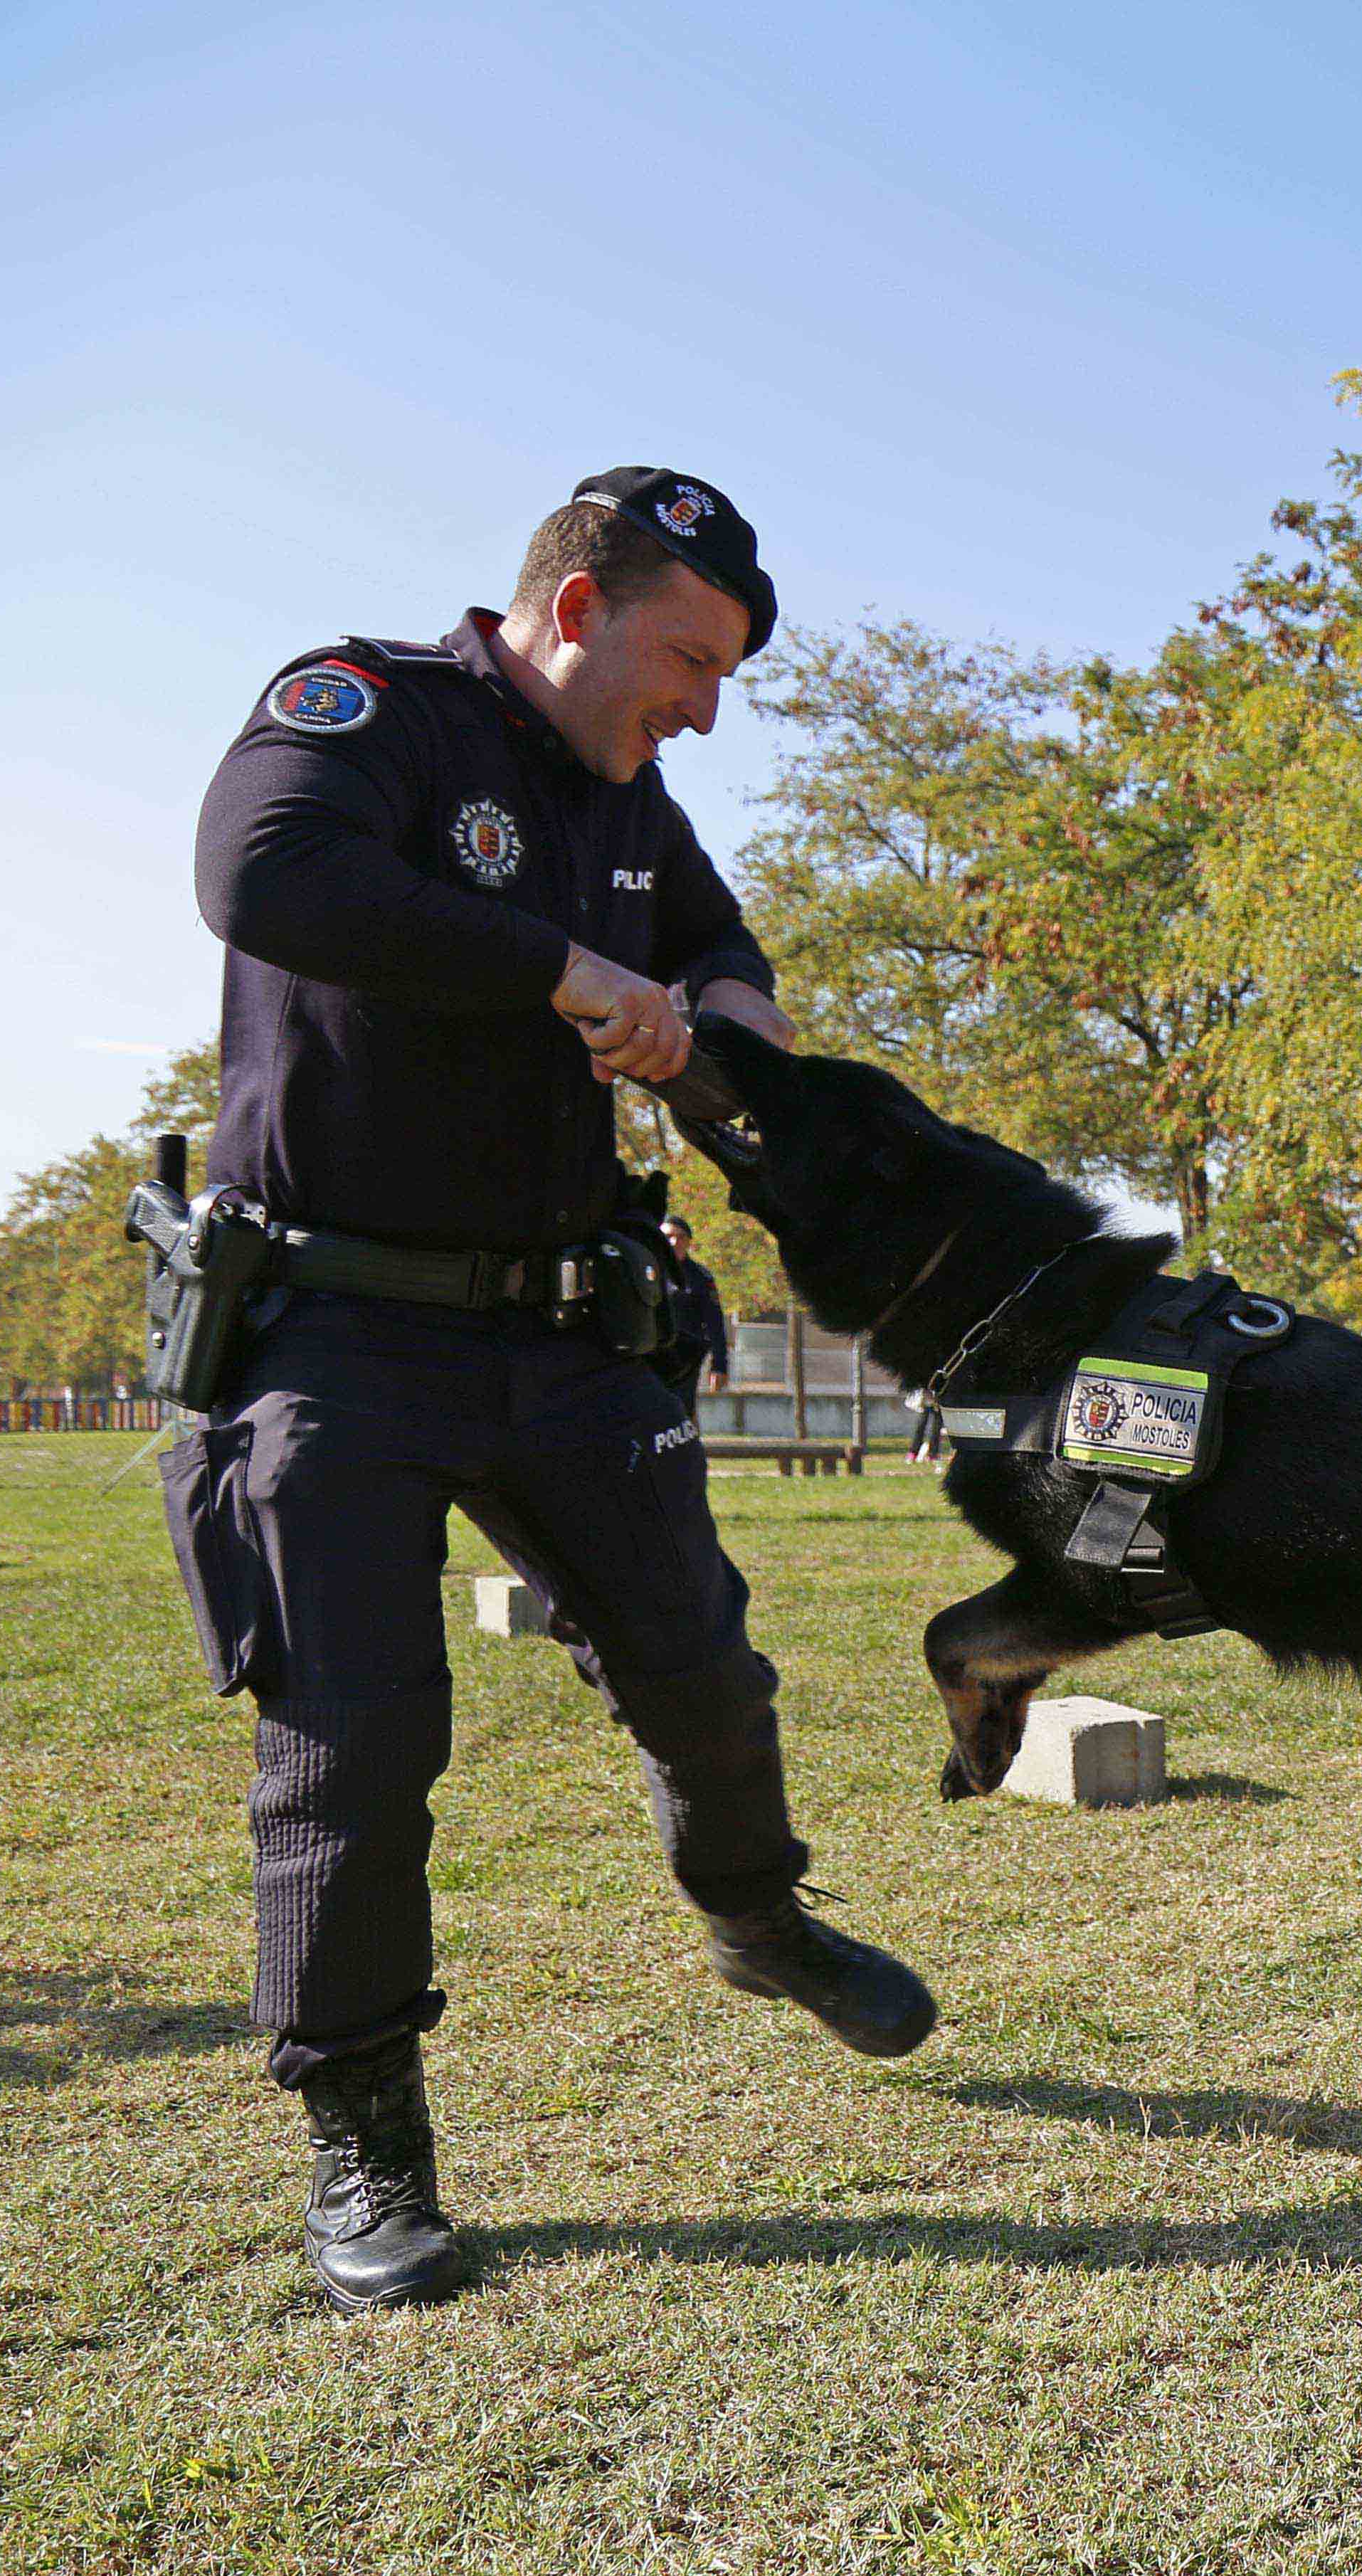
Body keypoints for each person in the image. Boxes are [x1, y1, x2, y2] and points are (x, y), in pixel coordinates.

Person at [167, 469, 929, 2313]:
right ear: (576, 610)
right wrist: (565, 969)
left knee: (706, 1672)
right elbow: (261, 873)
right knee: (354, 1745)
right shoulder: (373, 715)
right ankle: (366, 2142)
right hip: (335, 1329)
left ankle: (754, 1913)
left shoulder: (638, 808)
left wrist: (734, 1032)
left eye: (729, 675)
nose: (706, 710)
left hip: (574, 1332)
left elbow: (723, 960)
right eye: (689, 657)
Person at [653, 1214, 727, 1416]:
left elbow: (715, 1324)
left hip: (685, 1357)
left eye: (681, 1237)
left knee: (683, 1412)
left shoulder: (700, 1278)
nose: (675, 1242)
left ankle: (690, 1447)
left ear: (688, 1242)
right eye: (669, 1236)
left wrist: (719, 1365)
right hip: (650, 1354)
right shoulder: (648, 1271)